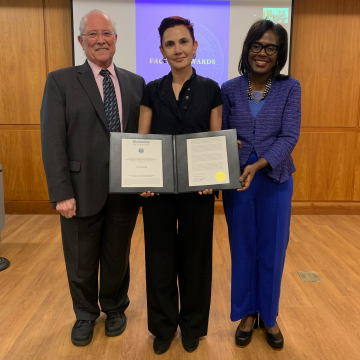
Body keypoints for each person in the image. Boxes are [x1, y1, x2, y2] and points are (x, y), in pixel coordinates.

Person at [41, 10, 145, 346]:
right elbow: (52, 139)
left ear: (116, 39)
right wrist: (61, 192)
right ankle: (85, 314)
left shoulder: (135, 82)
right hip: (80, 190)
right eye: (93, 34)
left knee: (117, 256)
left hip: (124, 189)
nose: (100, 39)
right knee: (81, 260)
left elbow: (143, 138)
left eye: (106, 33)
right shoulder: (60, 81)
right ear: (81, 41)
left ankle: (115, 307)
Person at [138, 16, 223, 355]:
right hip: (156, 192)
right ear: (161, 50)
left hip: (198, 192)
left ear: (195, 46)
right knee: (159, 259)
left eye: (183, 41)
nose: (178, 49)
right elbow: (142, 139)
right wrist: (140, 180)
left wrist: (212, 178)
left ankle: (192, 325)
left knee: (196, 259)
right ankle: (162, 326)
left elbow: (216, 140)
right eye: (170, 44)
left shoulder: (211, 89)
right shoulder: (151, 89)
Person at [221, 19, 301, 350]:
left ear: (278, 54)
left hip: (275, 179)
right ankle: (246, 314)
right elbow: (220, 135)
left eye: (270, 47)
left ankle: (268, 315)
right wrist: (230, 149)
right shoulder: (228, 89)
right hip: (238, 182)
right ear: (247, 48)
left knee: (272, 252)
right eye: (257, 45)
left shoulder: (290, 87)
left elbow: (290, 134)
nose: (262, 53)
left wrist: (259, 162)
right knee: (242, 250)